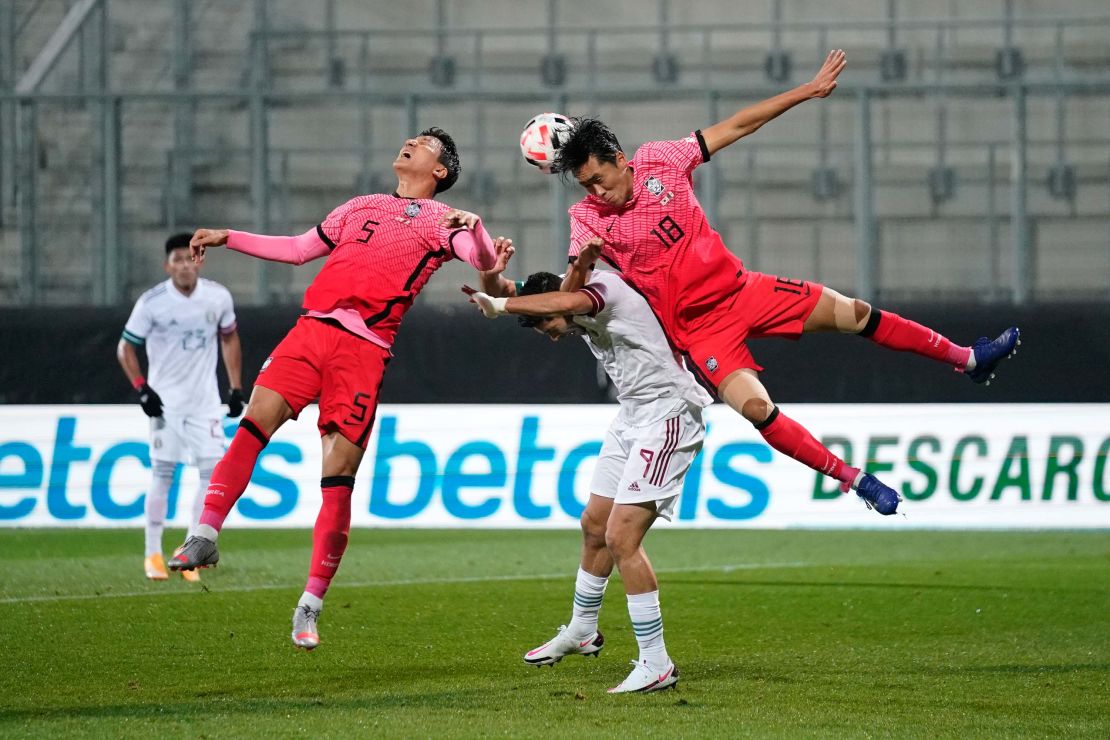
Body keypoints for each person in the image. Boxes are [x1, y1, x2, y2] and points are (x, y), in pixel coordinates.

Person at [548, 50, 1019, 515]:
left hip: (742, 291)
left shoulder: (660, 160)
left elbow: (737, 125)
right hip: (699, 331)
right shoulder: (586, 219)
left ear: (620, 158)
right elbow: (570, 300)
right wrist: (584, 264)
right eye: (586, 185)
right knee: (756, 411)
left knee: (855, 313)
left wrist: (807, 91)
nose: (597, 192)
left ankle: (969, 358)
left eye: (599, 179)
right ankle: (855, 480)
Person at [168, 128, 498, 651]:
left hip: (363, 351)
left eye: (423, 143)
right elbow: (301, 249)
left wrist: (476, 230)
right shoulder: (361, 205)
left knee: (336, 477)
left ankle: (310, 604)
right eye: (410, 138)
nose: (409, 143)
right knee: (253, 426)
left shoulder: (443, 220)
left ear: (440, 170)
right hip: (311, 331)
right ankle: (204, 535)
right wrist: (229, 236)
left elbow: (481, 260)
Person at [465, 237, 711, 693]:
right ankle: (582, 630)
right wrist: (490, 277)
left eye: (548, 326)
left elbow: (560, 299)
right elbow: (520, 290)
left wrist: (500, 303)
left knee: (622, 536)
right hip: (633, 415)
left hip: (668, 412)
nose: (552, 335)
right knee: (595, 524)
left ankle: (656, 663)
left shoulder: (603, 289)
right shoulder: (563, 296)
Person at [117, 233, 244, 583]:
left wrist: (235, 388)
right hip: (167, 405)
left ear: (198, 261)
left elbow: (230, 337)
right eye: (177, 260)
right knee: (162, 475)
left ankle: (190, 550)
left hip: (205, 403)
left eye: (190, 259)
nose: (185, 265)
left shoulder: (217, 296)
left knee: (209, 476)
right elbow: (125, 348)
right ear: (167, 265)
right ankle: (152, 553)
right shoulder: (152, 302)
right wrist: (142, 389)